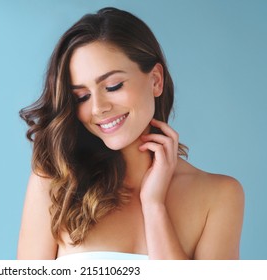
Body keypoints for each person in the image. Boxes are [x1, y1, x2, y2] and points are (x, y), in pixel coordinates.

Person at [17, 7, 244, 260]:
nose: (98, 108)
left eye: (112, 86)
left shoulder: (220, 196)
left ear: (156, 80)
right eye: (81, 96)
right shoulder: (57, 184)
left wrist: (154, 206)